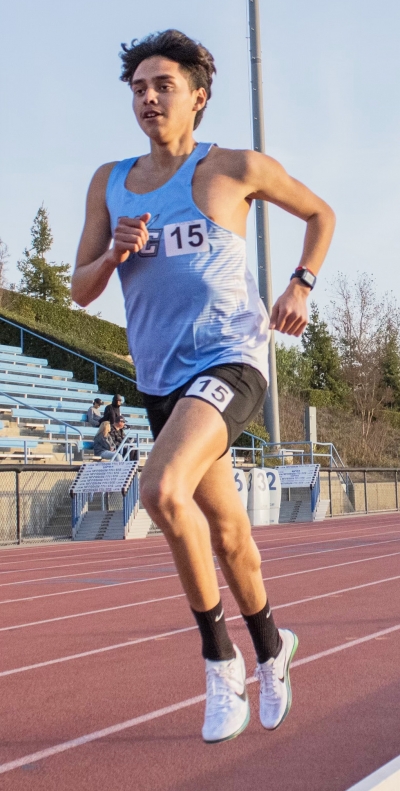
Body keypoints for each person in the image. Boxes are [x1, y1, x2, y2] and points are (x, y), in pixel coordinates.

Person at [72, 30, 335, 743]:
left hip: (231, 361)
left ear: (198, 96)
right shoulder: (110, 180)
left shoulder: (234, 167)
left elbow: (320, 213)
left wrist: (301, 284)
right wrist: (114, 251)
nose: (149, 98)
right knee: (229, 534)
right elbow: (79, 288)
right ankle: (273, 643)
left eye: (163, 85)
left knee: (160, 490)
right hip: (162, 381)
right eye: (138, 88)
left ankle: (219, 662)